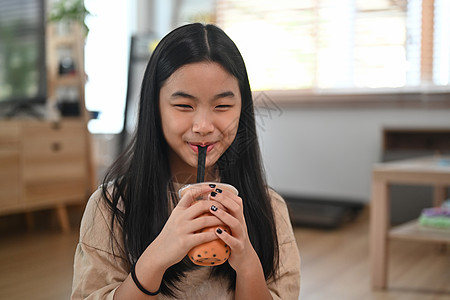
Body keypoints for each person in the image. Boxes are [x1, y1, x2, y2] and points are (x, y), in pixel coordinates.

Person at [71, 23, 300, 299]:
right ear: (154, 107)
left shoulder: (269, 209)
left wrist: (248, 265)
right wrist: (155, 259)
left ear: (243, 109)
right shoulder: (111, 207)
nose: (203, 126)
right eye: (184, 106)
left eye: (222, 106)